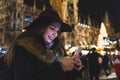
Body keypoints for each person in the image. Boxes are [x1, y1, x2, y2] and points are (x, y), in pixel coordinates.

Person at [3, 9, 82, 80]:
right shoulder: (25, 49)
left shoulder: (57, 50)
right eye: (52, 28)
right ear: (41, 27)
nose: (55, 34)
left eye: (58, 31)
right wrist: (60, 67)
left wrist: (74, 70)